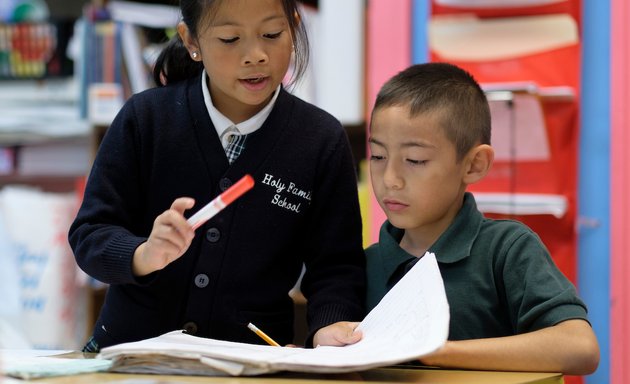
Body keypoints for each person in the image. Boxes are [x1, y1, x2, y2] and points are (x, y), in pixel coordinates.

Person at [69, 0, 365, 352]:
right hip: (130, 355)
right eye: (229, 39)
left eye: (272, 34)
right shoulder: (145, 119)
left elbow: (337, 266)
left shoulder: (321, 140)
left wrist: (328, 328)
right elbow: (91, 235)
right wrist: (144, 253)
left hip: (253, 363)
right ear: (191, 41)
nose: (255, 55)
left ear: (295, 28)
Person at [365, 62, 599, 375]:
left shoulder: (507, 249)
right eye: (378, 157)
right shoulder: (364, 265)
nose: (390, 179)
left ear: (474, 165)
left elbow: (579, 348)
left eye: (414, 160)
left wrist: (437, 352)